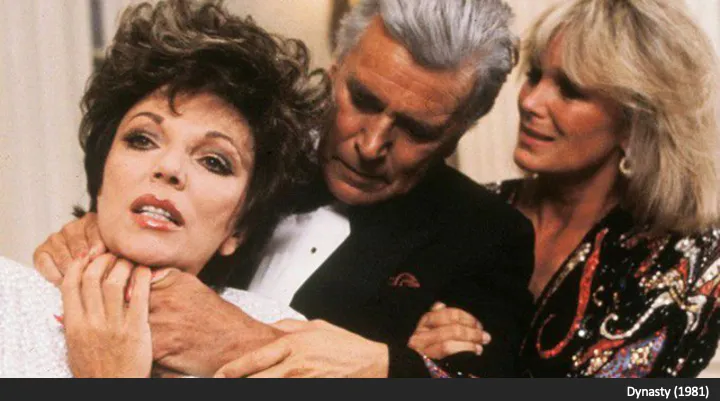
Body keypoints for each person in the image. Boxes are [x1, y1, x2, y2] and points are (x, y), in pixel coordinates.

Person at [34, 0, 535, 378]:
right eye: (362, 100)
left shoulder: (486, 235)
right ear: (335, 69)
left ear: (460, 131)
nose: (371, 145)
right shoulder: (244, 157)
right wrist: (96, 238)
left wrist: (381, 365)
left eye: (417, 129)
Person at [1, 0, 327, 377]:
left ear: (240, 226)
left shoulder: (277, 336)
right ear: (100, 176)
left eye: (214, 161)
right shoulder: (7, 298)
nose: (169, 168)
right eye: (142, 139)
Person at [409, 0, 720, 377]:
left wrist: (411, 369)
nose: (530, 101)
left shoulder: (685, 258)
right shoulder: (468, 211)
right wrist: (412, 343)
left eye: (570, 90)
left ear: (634, 123)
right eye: (535, 75)